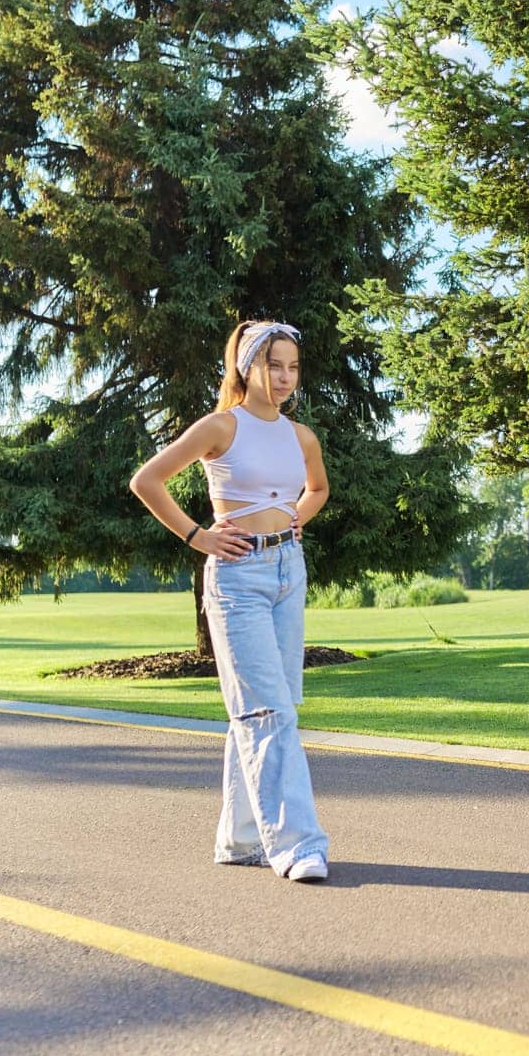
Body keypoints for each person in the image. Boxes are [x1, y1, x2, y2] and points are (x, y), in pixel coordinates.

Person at [130, 319, 332, 882]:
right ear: (248, 366)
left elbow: (317, 489)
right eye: (274, 364)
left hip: (288, 573)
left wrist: (295, 520)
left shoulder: (301, 436)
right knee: (266, 709)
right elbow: (148, 481)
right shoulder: (221, 426)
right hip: (238, 578)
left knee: (273, 705)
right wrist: (199, 536)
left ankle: (242, 839)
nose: (285, 376)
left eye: (293, 366)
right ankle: (297, 845)